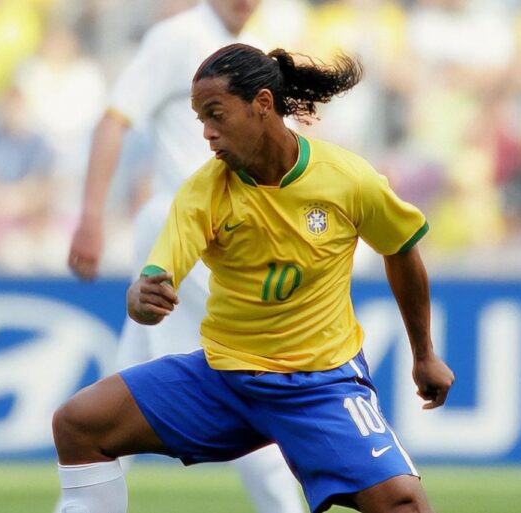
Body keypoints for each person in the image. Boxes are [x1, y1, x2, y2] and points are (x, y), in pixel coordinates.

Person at [54, 43, 455, 513]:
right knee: (78, 424)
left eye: (216, 114)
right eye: (200, 118)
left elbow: (401, 248)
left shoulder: (348, 180)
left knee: (406, 507)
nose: (206, 132)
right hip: (226, 379)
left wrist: (424, 354)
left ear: (262, 104)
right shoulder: (204, 191)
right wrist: (141, 296)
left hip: (319, 386)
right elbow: (158, 274)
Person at [65, 2, 305, 513]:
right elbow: (115, 120)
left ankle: (82, 504)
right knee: (247, 368)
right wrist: (91, 215)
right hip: (191, 227)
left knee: (132, 371)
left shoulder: (251, 43)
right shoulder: (178, 37)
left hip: (214, 228)